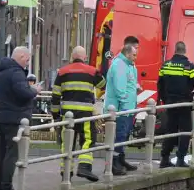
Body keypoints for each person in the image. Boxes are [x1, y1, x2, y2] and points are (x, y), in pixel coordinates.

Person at [51, 46, 106, 181]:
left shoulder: (62, 72)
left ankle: (66, 172)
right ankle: (84, 168)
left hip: (67, 115)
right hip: (85, 114)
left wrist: (56, 116)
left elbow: (55, 96)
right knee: (88, 140)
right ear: (85, 57)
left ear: (72, 57)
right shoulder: (92, 71)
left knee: (67, 142)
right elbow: (103, 85)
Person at [0, 46, 39, 190]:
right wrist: (34, 90)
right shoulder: (16, 73)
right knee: (12, 154)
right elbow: (23, 93)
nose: (28, 61)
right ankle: (5, 187)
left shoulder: (2, 72)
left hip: (2, 117)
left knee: (3, 152)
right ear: (20, 56)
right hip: (15, 118)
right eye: (27, 58)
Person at [156, 41, 194, 168]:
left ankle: (164, 158)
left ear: (175, 50)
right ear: (184, 51)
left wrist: (164, 100)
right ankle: (180, 158)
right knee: (185, 132)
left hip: (170, 104)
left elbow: (160, 85)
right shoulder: (189, 66)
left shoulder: (165, 65)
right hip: (185, 104)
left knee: (170, 131)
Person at [104, 36, 140, 175]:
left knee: (123, 135)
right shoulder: (120, 65)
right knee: (119, 135)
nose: (136, 56)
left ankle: (120, 159)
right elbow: (120, 89)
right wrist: (126, 105)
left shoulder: (128, 65)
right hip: (121, 108)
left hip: (127, 108)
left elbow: (128, 83)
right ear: (128, 53)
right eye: (134, 53)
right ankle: (114, 164)